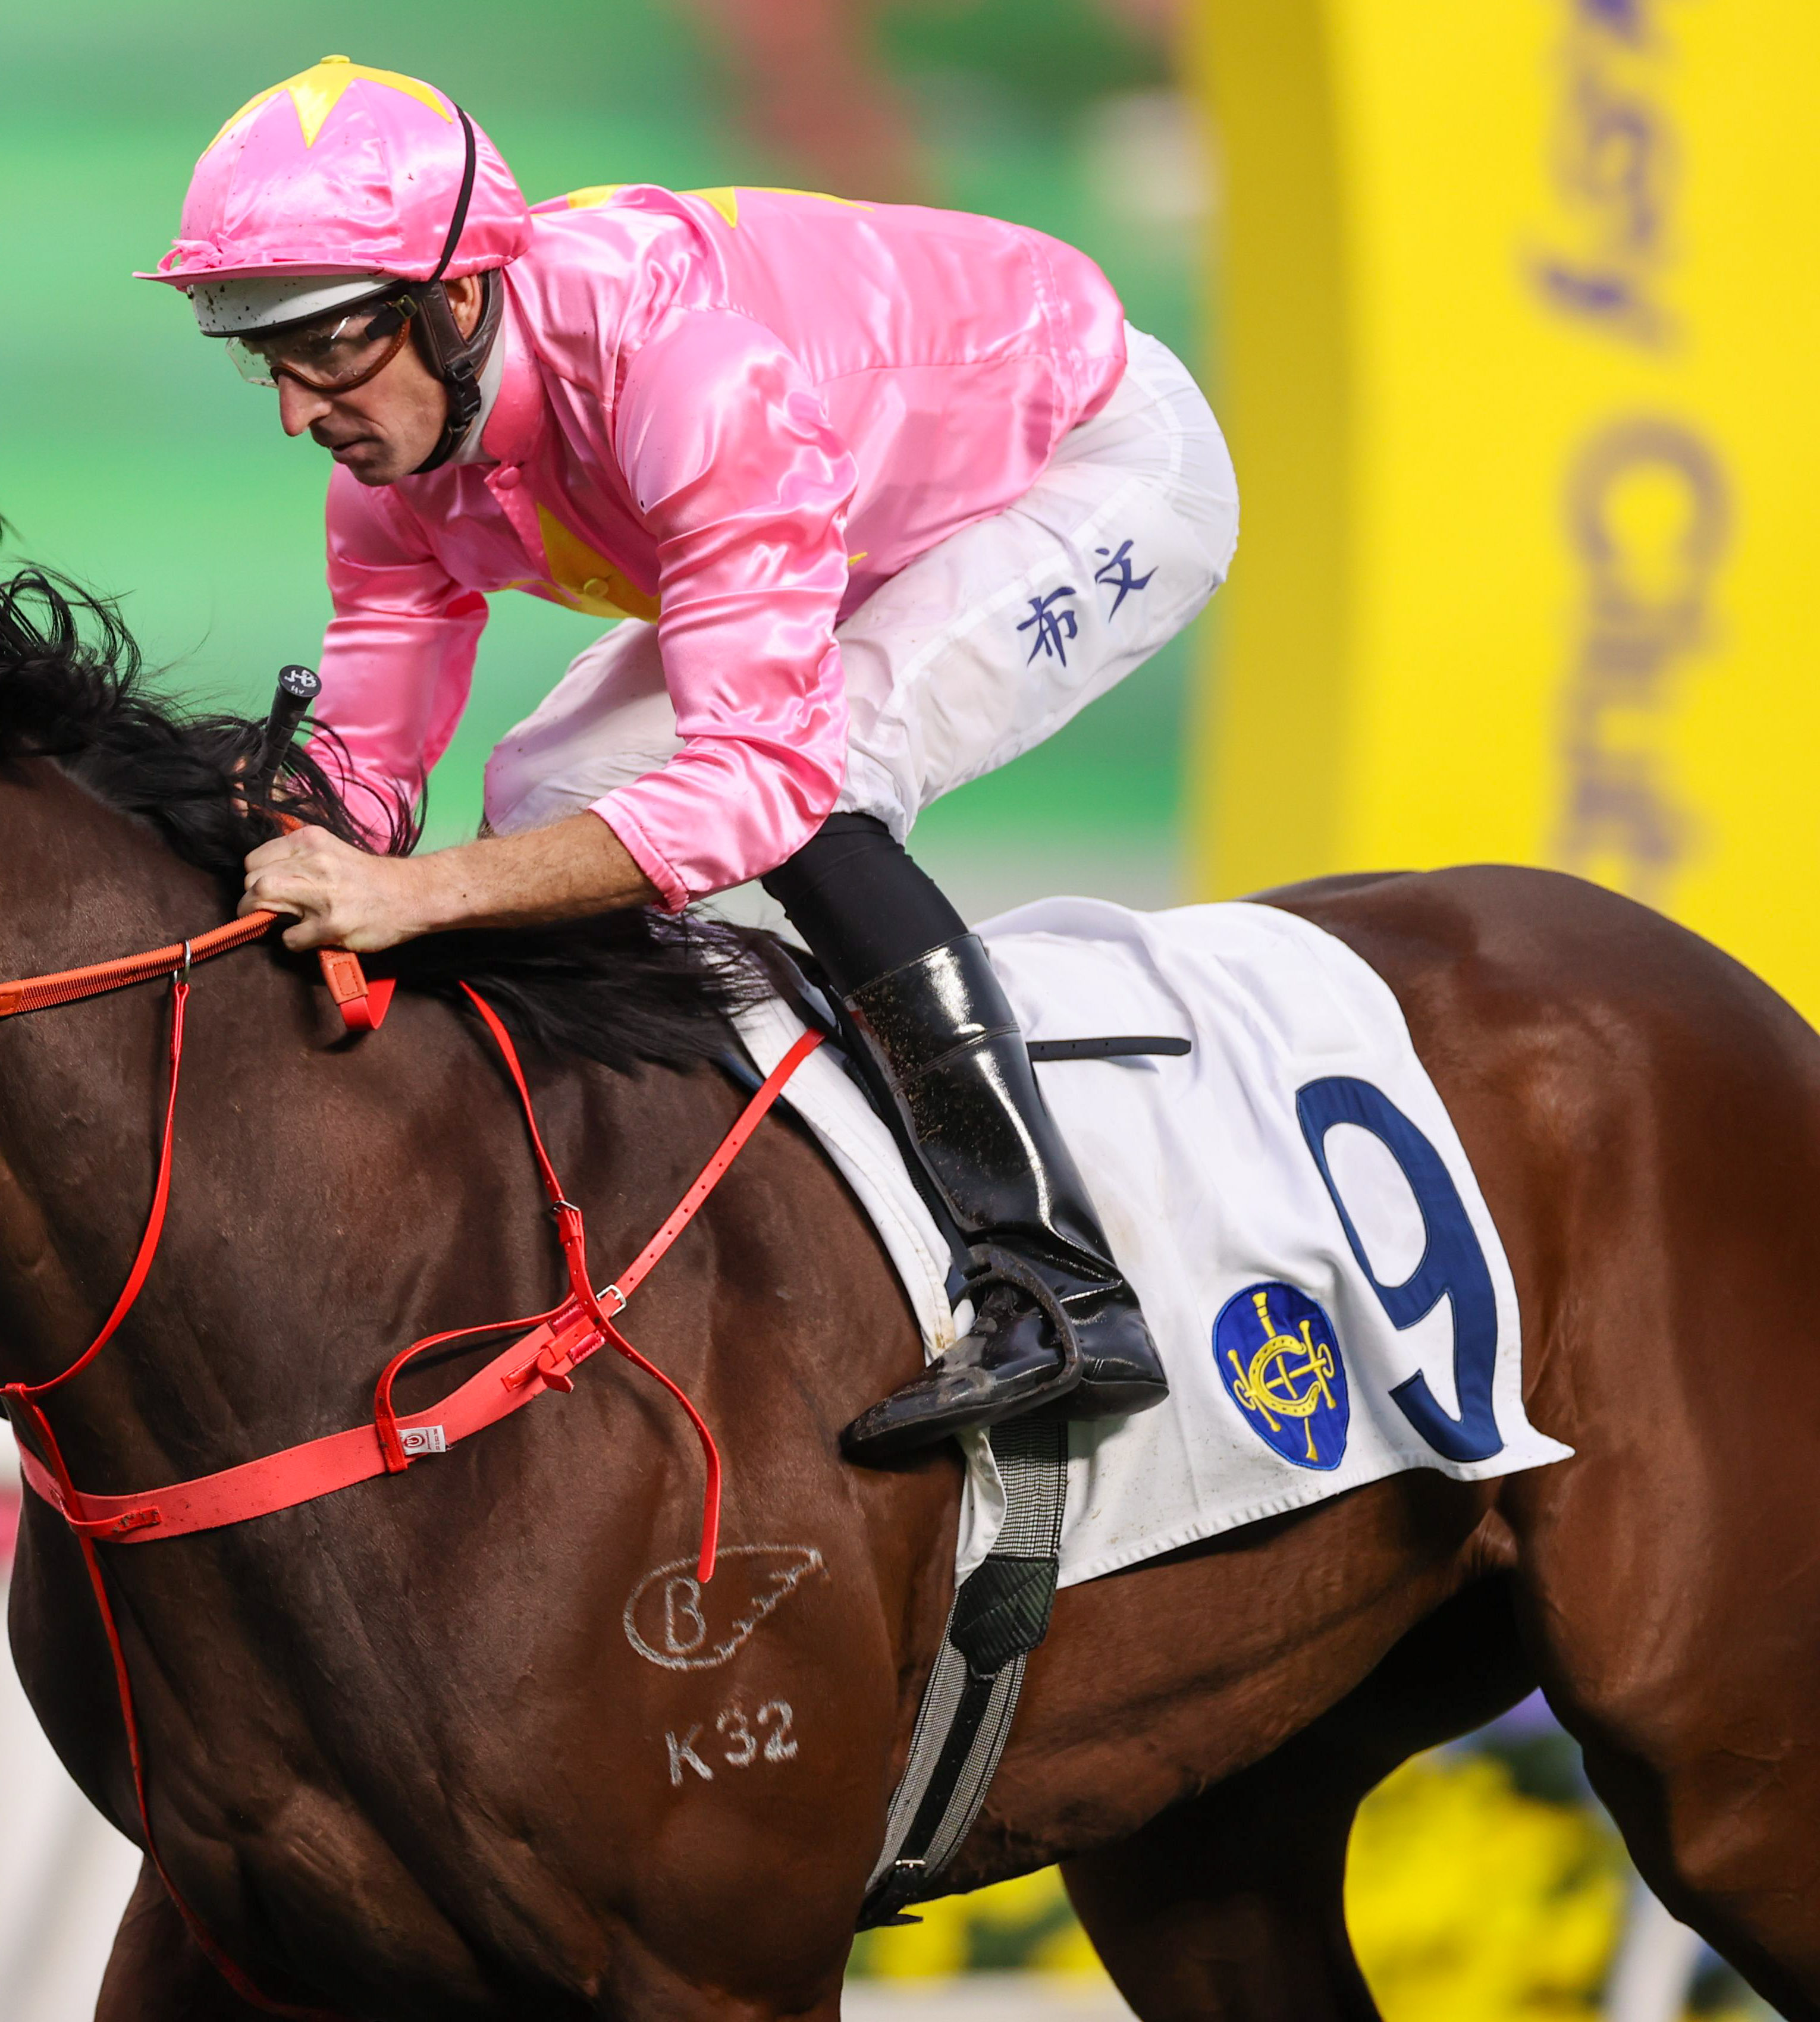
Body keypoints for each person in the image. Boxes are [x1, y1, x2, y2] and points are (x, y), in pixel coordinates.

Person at [142, 57, 1238, 1461]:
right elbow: (364, 778)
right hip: (850, 493)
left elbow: (757, 786)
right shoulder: (388, 470)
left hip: (1086, 466)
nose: (299, 412)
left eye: (330, 347)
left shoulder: (687, 374)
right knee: (545, 799)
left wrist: (420, 893)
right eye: (266, 356)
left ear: (455, 300)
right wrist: (267, 830)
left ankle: (1059, 1283)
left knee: (819, 784)